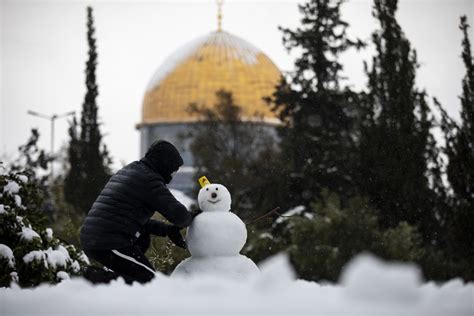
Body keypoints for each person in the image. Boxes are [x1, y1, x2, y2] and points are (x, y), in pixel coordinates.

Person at [80, 140, 194, 284]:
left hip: (97, 238)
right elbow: (180, 216)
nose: (172, 175)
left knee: (139, 270)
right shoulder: (150, 180)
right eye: (173, 169)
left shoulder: (133, 170)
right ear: (165, 164)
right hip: (108, 242)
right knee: (150, 282)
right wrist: (193, 215)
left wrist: (167, 230)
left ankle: (111, 287)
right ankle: (95, 278)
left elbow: (131, 219)